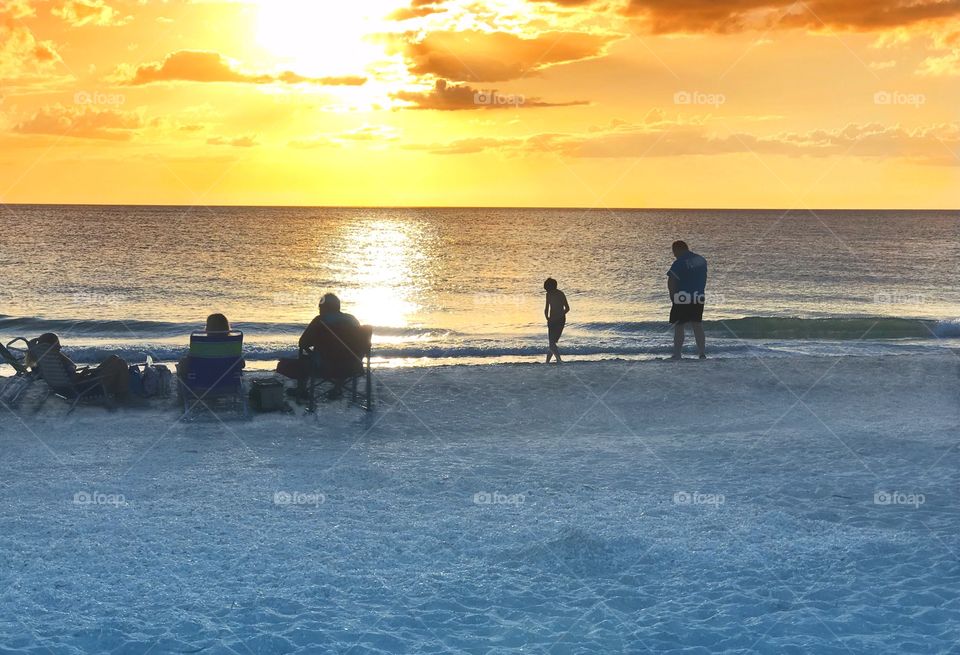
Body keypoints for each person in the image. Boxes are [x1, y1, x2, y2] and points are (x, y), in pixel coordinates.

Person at [27, 332, 130, 402]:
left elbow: (70, 377)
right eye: (58, 344)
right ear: (52, 347)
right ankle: (123, 396)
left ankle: (122, 392)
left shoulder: (43, 363)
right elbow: (73, 369)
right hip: (84, 389)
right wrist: (59, 355)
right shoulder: (57, 361)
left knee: (114, 358)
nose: (60, 347)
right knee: (120, 363)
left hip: (70, 387)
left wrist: (83, 374)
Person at [667, 240, 708, 360]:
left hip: (682, 296)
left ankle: (677, 354)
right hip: (698, 296)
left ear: (678, 249)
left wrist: (672, 296)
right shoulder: (701, 260)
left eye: (674, 251)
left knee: (679, 325)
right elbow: (704, 277)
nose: (674, 254)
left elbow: (671, 280)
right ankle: (701, 353)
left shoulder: (679, 262)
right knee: (697, 324)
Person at [177, 313, 241, 381]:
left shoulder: (201, 345)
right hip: (228, 381)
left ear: (208, 328)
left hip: (202, 381)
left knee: (183, 362)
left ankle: (181, 386)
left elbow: (192, 362)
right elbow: (242, 364)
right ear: (226, 327)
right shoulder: (232, 345)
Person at [543, 278, 569, 364]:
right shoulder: (548, 294)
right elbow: (546, 308)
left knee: (552, 342)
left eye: (547, 288)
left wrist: (559, 316)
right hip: (552, 320)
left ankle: (558, 360)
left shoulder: (560, 294)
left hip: (560, 320)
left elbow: (567, 308)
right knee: (552, 342)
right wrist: (547, 318)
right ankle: (548, 361)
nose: (547, 290)